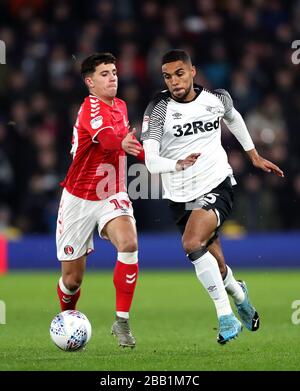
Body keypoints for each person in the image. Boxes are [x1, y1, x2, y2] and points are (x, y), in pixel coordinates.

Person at [141, 49, 284, 344]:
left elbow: (234, 118)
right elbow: (151, 161)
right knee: (215, 263)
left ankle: (225, 316)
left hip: (216, 185)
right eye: (167, 77)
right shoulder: (158, 109)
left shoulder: (217, 98)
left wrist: (254, 155)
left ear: (193, 72)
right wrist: (177, 164)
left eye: (180, 73)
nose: (174, 82)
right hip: (180, 196)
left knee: (192, 243)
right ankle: (239, 293)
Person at [56, 52, 144, 348]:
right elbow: (107, 139)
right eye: (105, 73)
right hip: (78, 198)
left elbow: (129, 147)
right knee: (72, 281)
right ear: (90, 82)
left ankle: (121, 322)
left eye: (115, 72)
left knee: (129, 243)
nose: (113, 78)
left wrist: (168, 162)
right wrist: (122, 143)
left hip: (112, 192)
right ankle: (67, 320)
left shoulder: (120, 106)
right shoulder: (88, 110)